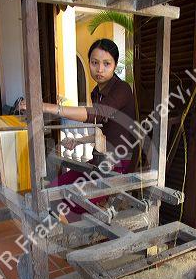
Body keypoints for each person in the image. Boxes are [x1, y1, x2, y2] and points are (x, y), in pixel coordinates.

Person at [43, 38, 138, 221]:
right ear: (89, 63)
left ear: (115, 65)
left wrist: (49, 107)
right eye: (95, 63)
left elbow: (98, 115)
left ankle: (84, 235)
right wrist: (79, 141)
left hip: (117, 165)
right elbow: (103, 129)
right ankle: (70, 236)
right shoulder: (96, 92)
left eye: (106, 64)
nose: (100, 69)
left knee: (74, 200)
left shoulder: (122, 89)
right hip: (98, 160)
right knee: (52, 190)